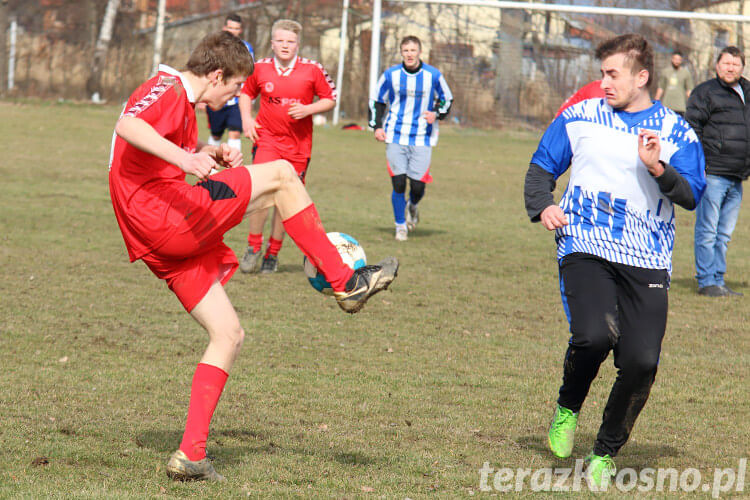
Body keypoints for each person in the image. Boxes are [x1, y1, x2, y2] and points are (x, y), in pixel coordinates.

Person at [108, 31, 399, 482]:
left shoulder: (183, 104)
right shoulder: (165, 86)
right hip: (163, 220)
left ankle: (190, 455)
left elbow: (151, 156)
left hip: (157, 237)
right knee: (282, 175)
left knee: (228, 333)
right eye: (233, 88)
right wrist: (186, 163)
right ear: (217, 75)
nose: (233, 97)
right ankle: (346, 281)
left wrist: (204, 152)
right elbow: (128, 125)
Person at [524, 34, 705, 488]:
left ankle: (604, 452)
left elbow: (692, 195)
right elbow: (542, 167)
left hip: (646, 258)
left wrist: (658, 168)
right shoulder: (580, 115)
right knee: (593, 336)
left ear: (641, 77)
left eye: (612, 74)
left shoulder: (674, 131)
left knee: (642, 362)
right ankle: (567, 408)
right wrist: (543, 204)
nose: (603, 81)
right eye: (602, 72)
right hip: (584, 244)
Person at [237, 19, 336, 274]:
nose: (285, 45)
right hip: (267, 140)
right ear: (272, 43)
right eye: (280, 41)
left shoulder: (312, 70)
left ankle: (273, 253)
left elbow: (330, 98)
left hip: (298, 147)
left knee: (285, 200)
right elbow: (246, 93)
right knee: (259, 194)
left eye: (290, 41)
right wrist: (247, 119)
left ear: (297, 45)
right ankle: (253, 247)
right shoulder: (258, 68)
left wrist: (308, 109)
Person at [369, 35, 453, 242]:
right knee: (398, 183)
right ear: (401, 52)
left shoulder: (432, 75)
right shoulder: (391, 75)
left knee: (417, 186)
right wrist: (377, 126)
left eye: (413, 50)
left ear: (419, 52)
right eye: (405, 50)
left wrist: (437, 113)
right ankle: (400, 226)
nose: (409, 54)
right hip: (395, 135)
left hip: (422, 137)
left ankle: (412, 206)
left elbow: (447, 99)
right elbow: (377, 100)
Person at [686, 46, 750, 297]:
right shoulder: (705, 92)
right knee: (708, 230)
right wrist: (698, 165)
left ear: (742, 67)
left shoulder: (747, 91)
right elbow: (692, 129)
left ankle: (718, 280)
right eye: (726, 63)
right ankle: (706, 281)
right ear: (717, 65)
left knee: (724, 234)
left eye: (735, 63)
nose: (731, 67)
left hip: (737, 176)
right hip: (712, 173)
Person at [205, 14, 254, 154]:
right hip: (216, 97)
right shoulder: (214, 47)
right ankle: (210, 167)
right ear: (224, 28)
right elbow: (207, 70)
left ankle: (234, 169)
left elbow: (249, 72)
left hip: (236, 99)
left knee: (235, 132)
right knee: (216, 134)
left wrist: (248, 94)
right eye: (230, 28)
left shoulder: (246, 48)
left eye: (236, 28)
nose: (233, 31)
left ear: (241, 30)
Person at [655, 50, 693, 117]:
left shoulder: (686, 73)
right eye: (675, 59)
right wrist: (656, 102)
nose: (677, 61)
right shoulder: (666, 72)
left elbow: (689, 90)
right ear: (672, 59)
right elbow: (661, 88)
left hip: (680, 107)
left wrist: (692, 104)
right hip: (667, 106)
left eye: (679, 59)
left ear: (681, 60)